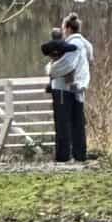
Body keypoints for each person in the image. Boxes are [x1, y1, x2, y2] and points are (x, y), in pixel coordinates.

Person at [47, 12, 93, 162]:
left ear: (67, 28)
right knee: (77, 121)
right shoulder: (86, 44)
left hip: (63, 88)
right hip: (78, 88)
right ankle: (80, 153)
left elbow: (65, 65)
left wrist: (50, 69)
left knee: (63, 122)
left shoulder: (73, 45)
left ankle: (63, 155)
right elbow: (87, 63)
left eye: (63, 27)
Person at [41, 32, 78, 163]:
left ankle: (63, 155)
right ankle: (65, 153)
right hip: (63, 89)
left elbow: (51, 70)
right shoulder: (67, 52)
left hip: (60, 90)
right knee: (64, 122)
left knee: (61, 123)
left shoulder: (56, 62)